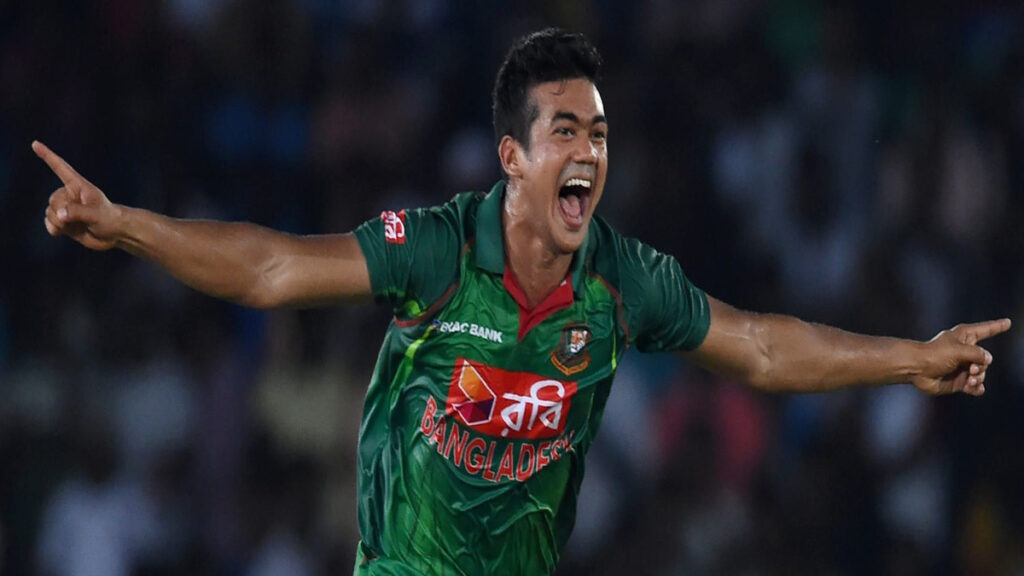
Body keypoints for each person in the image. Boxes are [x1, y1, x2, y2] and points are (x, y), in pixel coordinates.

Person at [37, 28, 1009, 576]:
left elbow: (758, 347)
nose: (589, 151)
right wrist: (126, 225)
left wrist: (911, 358)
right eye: (565, 132)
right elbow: (271, 271)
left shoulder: (622, 280)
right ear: (512, 156)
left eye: (600, 133)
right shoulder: (437, 250)